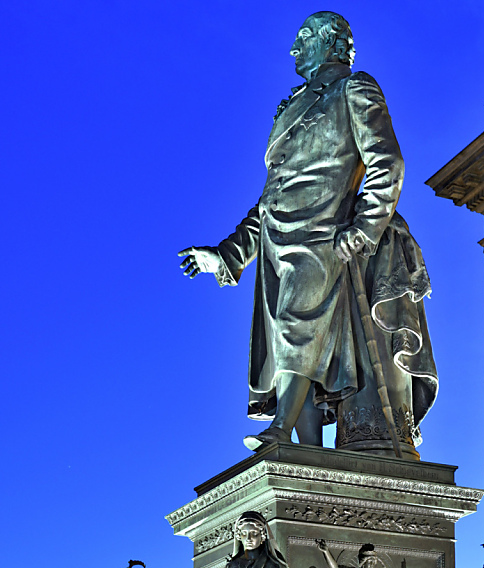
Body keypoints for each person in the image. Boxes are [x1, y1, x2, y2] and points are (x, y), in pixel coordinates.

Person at [179, 12, 437, 458]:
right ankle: (308, 451)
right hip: (280, 240)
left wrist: (362, 231)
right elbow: (270, 199)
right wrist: (226, 255)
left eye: (303, 38)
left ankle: (280, 431)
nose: (295, 49)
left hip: (324, 231)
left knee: (297, 331)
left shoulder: (354, 89)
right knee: (284, 346)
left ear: (332, 42)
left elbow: (387, 163)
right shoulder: (291, 105)